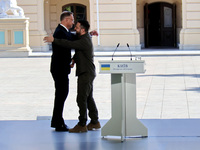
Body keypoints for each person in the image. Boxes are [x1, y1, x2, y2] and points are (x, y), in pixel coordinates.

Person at [44, 20, 101, 133]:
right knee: (88, 97)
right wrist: (74, 59)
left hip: (85, 73)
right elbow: (79, 50)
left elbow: (70, 44)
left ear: (83, 30)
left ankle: (82, 124)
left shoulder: (84, 40)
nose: (75, 28)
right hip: (87, 72)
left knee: (81, 98)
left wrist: (54, 40)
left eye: (78, 27)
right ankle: (95, 122)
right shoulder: (84, 38)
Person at [50, 11, 75, 132]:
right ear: (65, 20)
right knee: (61, 95)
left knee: (61, 94)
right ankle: (58, 123)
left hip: (61, 68)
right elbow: (68, 43)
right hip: (59, 69)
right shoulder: (60, 32)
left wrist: (88, 34)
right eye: (71, 19)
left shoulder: (64, 31)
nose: (73, 22)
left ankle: (57, 121)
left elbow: (71, 38)